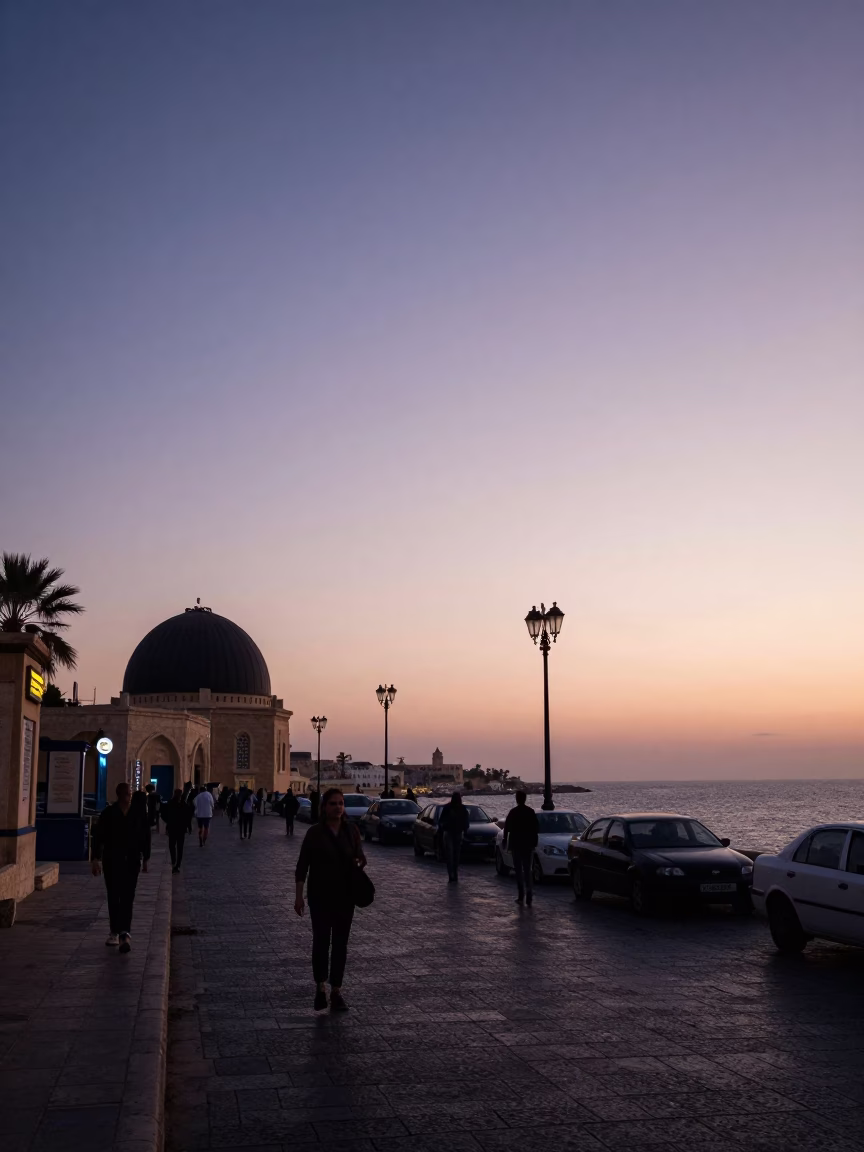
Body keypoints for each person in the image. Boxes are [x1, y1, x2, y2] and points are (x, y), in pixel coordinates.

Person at [294, 787, 367, 1012]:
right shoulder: (315, 833)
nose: (338, 807)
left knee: (340, 945)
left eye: (341, 803)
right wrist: (299, 897)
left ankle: (336, 990)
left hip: (345, 897)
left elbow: (361, 859)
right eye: (333, 803)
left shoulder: (351, 831)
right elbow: (302, 866)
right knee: (321, 942)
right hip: (320, 897)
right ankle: (320, 987)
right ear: (324, 807)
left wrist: (356, 864)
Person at [91, 780, 151, 952]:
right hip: (112, 860)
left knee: (128, 896)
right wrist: (95, 859)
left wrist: (146, 858)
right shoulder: (109, 813)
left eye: (130, 793)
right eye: (126, 793)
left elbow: (145, 837)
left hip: (132, 860)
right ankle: (114, 931)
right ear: (120, 795)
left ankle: (125, 932)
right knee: (113, 895)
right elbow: (99, 837)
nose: (129, 796)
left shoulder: (138, 813)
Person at [503, 790, 540, 906]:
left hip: (516, 845)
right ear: (525, 799)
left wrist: (505, 840)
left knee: (518, 870)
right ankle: (529, 894)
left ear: (517, 799)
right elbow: (536, 828)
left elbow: (506, 828)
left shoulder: (513, 812)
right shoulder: (530, 812)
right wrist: (534, 842)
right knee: (528, 870)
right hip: (528, 845)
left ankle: (521, 895)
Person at [438, 791, 470, 883]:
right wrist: (465, 829)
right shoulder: (461, 808)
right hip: (454, 833)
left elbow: (441, 821)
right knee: (455, 855)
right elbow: (466, 821)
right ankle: (453, 874)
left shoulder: (449, 807)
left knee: (451, 855)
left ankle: (452, 874)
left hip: (451, 833)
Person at [160, 787, 190, 873]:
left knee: (172, 846)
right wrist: (188, 826)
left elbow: (164, 814)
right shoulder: (184, 804)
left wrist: (168, 822)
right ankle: (178, 865)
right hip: (181, 829)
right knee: (180, 847)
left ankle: (174, 861)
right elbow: (187, 817)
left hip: (172, 828)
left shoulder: (170, 803)